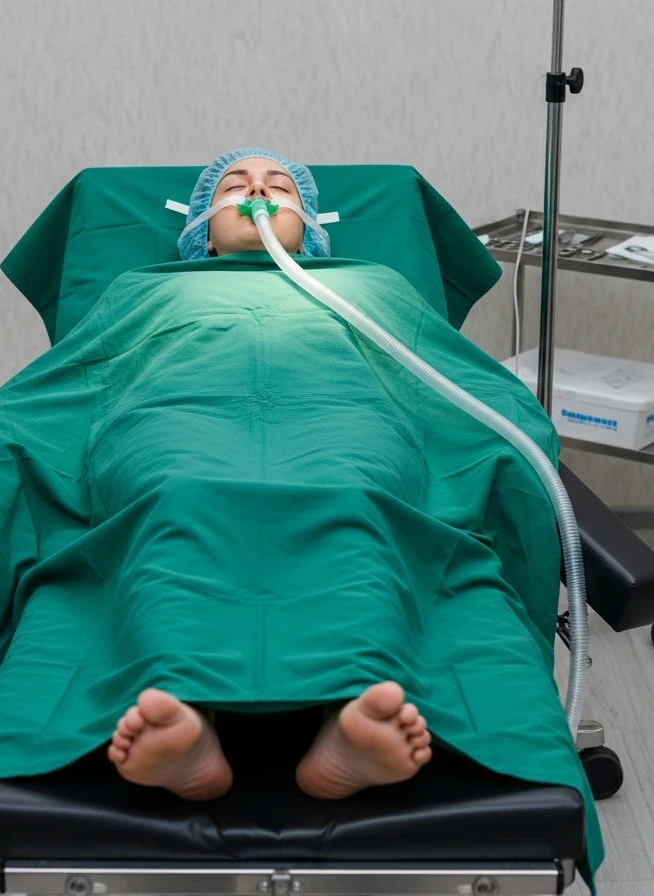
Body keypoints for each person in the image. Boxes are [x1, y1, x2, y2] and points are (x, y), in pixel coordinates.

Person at [105, 148, 432, 802]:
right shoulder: (149, 288)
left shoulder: (369, 285)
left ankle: (349, 716)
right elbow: (81, 384)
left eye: (278, 185)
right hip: (180, 423)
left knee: (352, 494)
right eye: (238, 184)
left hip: (341, 423)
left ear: (310, 224)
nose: (258, 191)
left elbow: (442, 385)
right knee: (176, 493)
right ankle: (188, 719)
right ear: (199, 225)